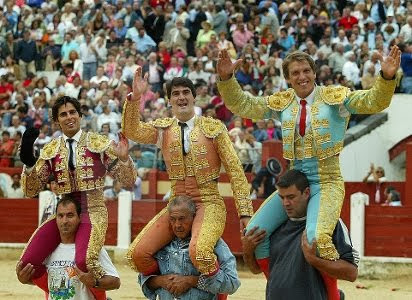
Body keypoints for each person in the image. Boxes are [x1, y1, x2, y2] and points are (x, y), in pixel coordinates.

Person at [216, 47, 400, 298]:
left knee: (316, 239)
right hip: (295, 182)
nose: (301, 77)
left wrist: (387, 77)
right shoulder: (284, 103)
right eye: (295, 73)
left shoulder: (336, 98)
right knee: (254, 232)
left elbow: (373, 101)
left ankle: (334, 297)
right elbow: (245, 104)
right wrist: (227, 80)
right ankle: (280, 286)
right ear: (288, 79)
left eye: (306, 71)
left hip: (326, 181)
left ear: (314, 73)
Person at [122, 67, 253, 278]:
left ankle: (215, 289)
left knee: (200, 253)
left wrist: (245, 213)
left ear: (194, 97)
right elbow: (132, 131)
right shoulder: (163, 130)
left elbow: (236, 171)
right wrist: (135, 98)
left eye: (185, 92)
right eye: (175, 94)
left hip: (208, 202)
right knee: (136, 255)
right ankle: (168, 286)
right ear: (169, 101)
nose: (181, 97)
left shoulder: (214, 128)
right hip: (176, 203)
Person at [19, 96, 136, 299]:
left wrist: (125, 159)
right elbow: (31, 190)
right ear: (57, 121)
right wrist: (29, 163)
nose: (69, 117)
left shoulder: (98, 143)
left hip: (93, 211)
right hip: (65, 212)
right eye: (63, 114)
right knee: (27, 262)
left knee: (85, 261)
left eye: (73, 112)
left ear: (80, 116)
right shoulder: (51, 150)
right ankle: (60, 293)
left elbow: (127, 181)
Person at [242, 170, 359, 300]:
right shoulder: (272, 228)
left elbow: (352, 273)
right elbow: (256, 270)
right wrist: (247, 250)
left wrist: (315, 260)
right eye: (282, 198)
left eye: (291, 197)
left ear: (306, 193)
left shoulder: (330, 224)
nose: (285, 203)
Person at [16, 195, 120, 299]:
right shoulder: (47, 251)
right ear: (55, 218)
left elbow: (116, 282)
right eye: (60, 216)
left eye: (70, 215)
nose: (64, 221)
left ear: (79, 218)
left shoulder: (91, 248)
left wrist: (95, 282)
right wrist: (24, 280)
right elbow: (46, 282)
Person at [138, 195, 240, 299]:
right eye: (173, 219)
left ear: (193, 217)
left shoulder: (212, 243)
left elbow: (232, 283)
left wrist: (191, 281)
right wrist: (161, 281)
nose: (177, 225)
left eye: (182, 219)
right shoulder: (161, 244)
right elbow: (144, 280)